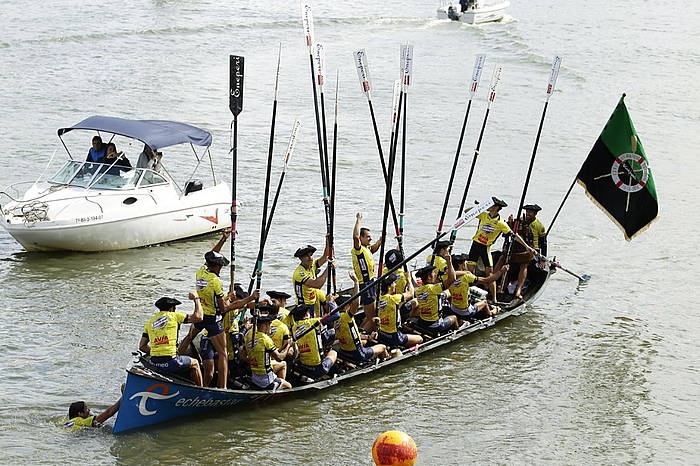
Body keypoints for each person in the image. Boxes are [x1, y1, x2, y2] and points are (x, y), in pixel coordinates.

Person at [177, 230, 259, 389]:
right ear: (214, 266)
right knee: (223, 353)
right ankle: (223, 387)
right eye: (220, 266)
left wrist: (223, 239)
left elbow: (212, 254)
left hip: (201, 315)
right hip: (213, 319)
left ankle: (176, 358)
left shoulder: (201, 271)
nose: (221, 269)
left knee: (189, 337)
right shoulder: (215, 282)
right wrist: (248, 299)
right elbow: (225, 308)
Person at [138, 294, 204, 386]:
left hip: (155, 362)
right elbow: (199, 317)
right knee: (195, 363)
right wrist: (196, 299)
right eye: (175, 308)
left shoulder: (150, 322)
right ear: (171, 309)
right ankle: (200, 392)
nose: (175, 310)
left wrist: (157, 351)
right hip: (171, 361)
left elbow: (142, 346)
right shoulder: (174, 316)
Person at [467, 197, 514, 301]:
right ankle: (468, 295)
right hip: (475, 245)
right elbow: (467, 212)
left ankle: (494, 299)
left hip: (485, 248)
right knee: (469, 272)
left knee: (490, 275)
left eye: (490, 205)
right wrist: (479, 207)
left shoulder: (501, 223)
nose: (488, 207)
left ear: (496, 207)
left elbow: (512, 235)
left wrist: (528, 247)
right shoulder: (483, 215)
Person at [336, 272, 389, 363]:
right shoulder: (347, 316)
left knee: (365, 341)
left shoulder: (335, 318)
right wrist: (356, 282)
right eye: (349, 304)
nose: (351, 305)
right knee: (383, 347)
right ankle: (387, 359)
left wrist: (368, 337)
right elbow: (356, 303)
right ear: (346, 306)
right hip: (358, 353)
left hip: (345, 350)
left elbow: (352, 336)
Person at [242, 313, 293, 390]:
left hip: (255, 376)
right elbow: (279, 358)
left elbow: (242, 355)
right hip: (266, 380)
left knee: (282, 364)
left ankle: (278, 384)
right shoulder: (265, 339)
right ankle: (277, 390)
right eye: (270, 324)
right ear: (264, 325)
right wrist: (288, 346)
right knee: (289, 386)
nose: (271, 326)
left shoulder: (249, 336)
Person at [507, 204, 548, 299]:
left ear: (535, 214)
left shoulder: (539, 225)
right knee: (504, 259)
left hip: (533, 250)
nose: (528, 214)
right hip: (519, 247)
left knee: (524, 264)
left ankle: (519, 289)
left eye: (530, 212)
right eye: (527, 212)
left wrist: (542, 259)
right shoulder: (520, 221)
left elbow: (543, 243)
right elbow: (511, 232)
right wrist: (510, 223)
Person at [449, 254, 508, 320]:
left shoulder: (449, 277)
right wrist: (501, 271)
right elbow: (488, 280)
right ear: (460, 265)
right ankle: (491, 313)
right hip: (466, 312)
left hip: (454, 309)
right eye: (464, 263)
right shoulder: (466, 277)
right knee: (485, 302)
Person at [351, 213, 383, 331]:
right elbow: (355, 237)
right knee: (373, 318)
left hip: (370, 282)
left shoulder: (366, 248)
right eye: (368, 237)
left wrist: (379, 242)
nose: (370, 239)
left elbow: (373, 249)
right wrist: (358, 219)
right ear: (361, 238)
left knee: (373, 313)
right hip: (365, 285)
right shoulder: (358, 249)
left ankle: (362, 329)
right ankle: (365, 334)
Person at [411, 254, 458, 334]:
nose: (435, 274)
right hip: (435, 324)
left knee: (447, 294)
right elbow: (452, 279)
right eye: (433, 273)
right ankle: (458, 332)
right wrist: (449, 262)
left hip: (423, 321)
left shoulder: (418, 290)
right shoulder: (434, 289)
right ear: (429, 277)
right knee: (454, 317)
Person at [291, 303, 340, 379]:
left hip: (305, 366)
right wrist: (331, 302)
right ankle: (333, 374)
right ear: (306, 314)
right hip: (318, 368)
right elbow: (336, 315)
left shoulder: (294, 328)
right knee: (333, 352)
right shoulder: (313, 322)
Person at [377, 272, 423, 348]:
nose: (395, 285)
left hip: (382, 333)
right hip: (394, 336)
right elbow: (411, 294)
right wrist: (408, 280)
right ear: (389, 287)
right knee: (420, 339)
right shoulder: (393, 298)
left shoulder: (380, 299)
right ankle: (402, 347)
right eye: (393, 283)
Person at [291, 239, 334, 309]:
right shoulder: (299, 274)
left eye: (311, 255)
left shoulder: (312, 264)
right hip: (304, 306)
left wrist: (328, 241)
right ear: (300, 258)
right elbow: (317, 285)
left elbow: (325, 256)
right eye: (307, 256)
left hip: (313, 300)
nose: (310, 258)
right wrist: (329, 269)